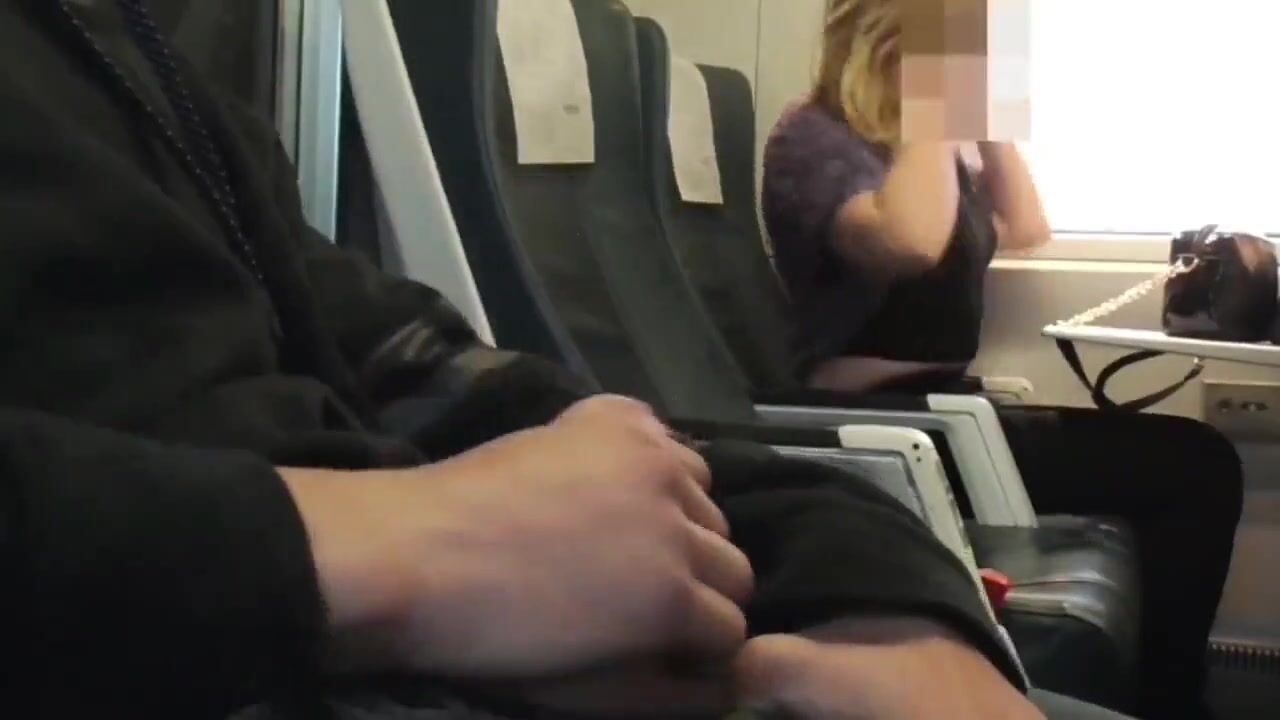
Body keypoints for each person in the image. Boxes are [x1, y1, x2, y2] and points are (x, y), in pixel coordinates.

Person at [0, 1, 1134, 719]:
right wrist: (380, 546)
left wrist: (898, 603)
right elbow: (909, 247)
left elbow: (438, 377)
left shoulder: (135, 76)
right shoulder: (815, 140)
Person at [760, 1, 1243, 718]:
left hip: (947, 409)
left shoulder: (929, 144)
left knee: (1196, 459)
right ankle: (1169, 703)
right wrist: (934, 97)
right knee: (1195, 468)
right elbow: (909, 244)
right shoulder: (815, 135)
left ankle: (1161, 696)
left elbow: (1027, 225)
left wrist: (983, 116)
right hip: (875, 424)